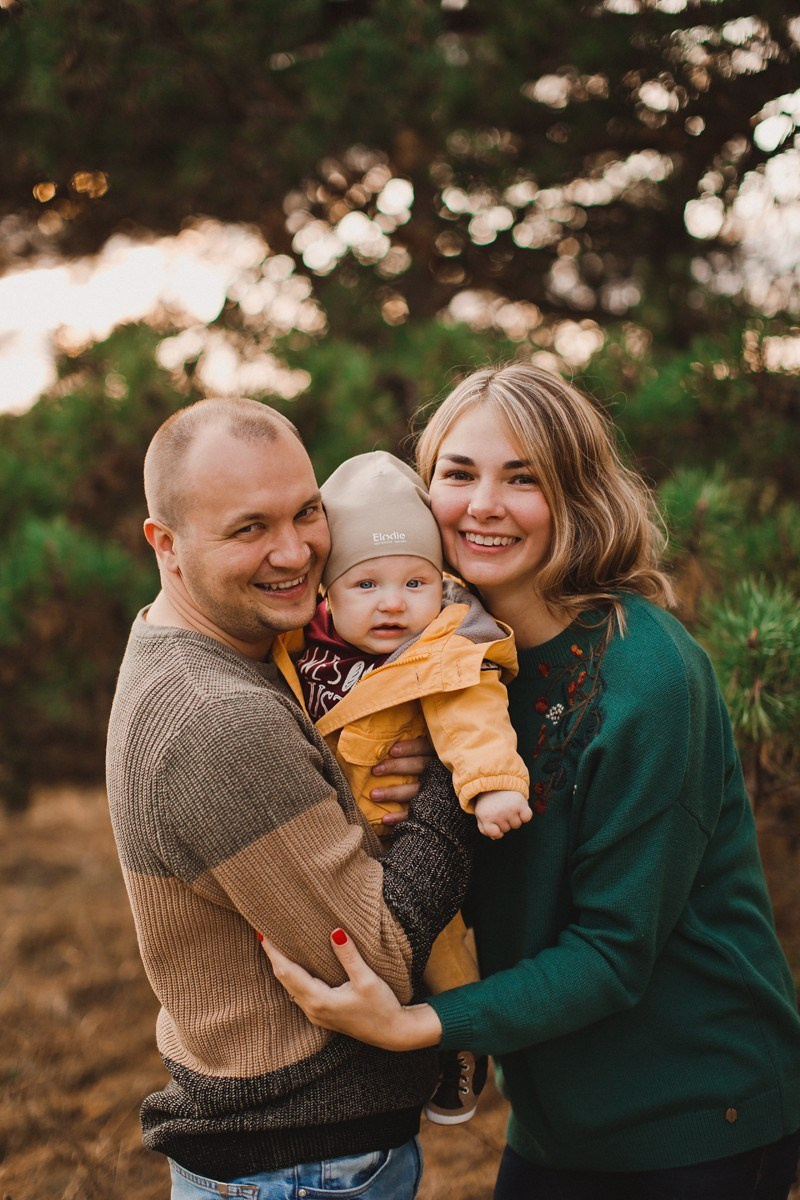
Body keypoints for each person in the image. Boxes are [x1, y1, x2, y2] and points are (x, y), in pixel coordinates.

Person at [262, 363, 800, 1200]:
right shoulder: (433, 672)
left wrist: (418, 1025)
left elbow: (613, 953)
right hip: (554, 1118)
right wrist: (418, 809)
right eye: (458, 474)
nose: (483, 505)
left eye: (524, 478)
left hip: (696, 1113)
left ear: (577, 496)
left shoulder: (649, 676)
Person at [104, 397, 477, 1200]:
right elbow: (379, 956)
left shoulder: (234, 651)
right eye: (249, 528)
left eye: (307, 512)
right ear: (165, 544)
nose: (295, 551)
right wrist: (454, 763)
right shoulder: (217, 717)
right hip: (302, 1170)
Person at [272, 449, 531, 1124]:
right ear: (327, 591)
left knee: (441, 953)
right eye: (366, 584)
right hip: (325, 840)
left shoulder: (441, 650)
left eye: (416, 583)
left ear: (441, 585)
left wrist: (493, 786)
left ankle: (461, 1048)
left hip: (406, 843)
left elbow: (473, 718)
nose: (393, 603)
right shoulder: (297, 645)